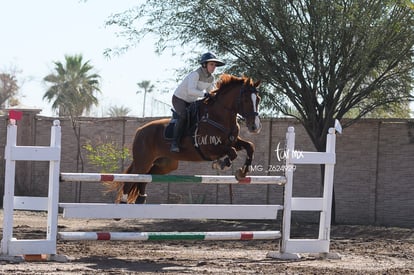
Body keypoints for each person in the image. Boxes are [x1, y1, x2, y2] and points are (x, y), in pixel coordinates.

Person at [170, 52, 225, 152]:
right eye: (211, 64)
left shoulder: (211, 78)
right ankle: (175, 142)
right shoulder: (195, 74)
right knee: (184, 115)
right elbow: (191, 90)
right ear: (204, 64)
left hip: (191, 101)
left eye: (215, 65)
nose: (214, 67)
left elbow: (210, 92)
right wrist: (205, 94)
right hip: (179, 99)